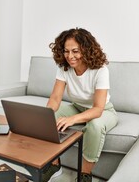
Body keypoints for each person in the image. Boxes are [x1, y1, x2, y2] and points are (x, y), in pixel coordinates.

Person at [43, 28, 118, 182]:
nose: (70, 56)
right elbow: (55, 98)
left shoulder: (100, 69)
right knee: (50, 116)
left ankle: (84, 175)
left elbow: (97, 109)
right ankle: (54, 165)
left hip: (104, 111)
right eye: (66, 51)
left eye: (75, 51)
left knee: (95, 126)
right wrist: (45, 115)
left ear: (86, 49)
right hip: (77, 107)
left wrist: (72, 119)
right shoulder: (64, 68)